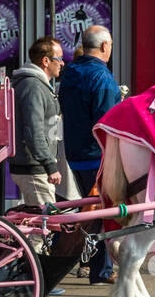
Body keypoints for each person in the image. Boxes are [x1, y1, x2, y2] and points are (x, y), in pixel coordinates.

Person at [58, 25, 124, 283]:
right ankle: (100, 269)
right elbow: (107, 125)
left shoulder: (70, 72)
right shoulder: (102, 78)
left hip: (75, 151)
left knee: (92, 208)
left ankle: (95, 266)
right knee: (103, 212)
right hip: (97, 155)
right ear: (105, 47)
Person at [8, 36, 65, 210]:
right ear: (46, 61)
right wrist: (49, 164)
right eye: (60, 59)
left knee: (36, 223)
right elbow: (33, 130)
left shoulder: (35, 84)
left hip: (32, 166)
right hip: (34, 168)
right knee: (45, 224)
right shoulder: (33, 86)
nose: (62, 63)